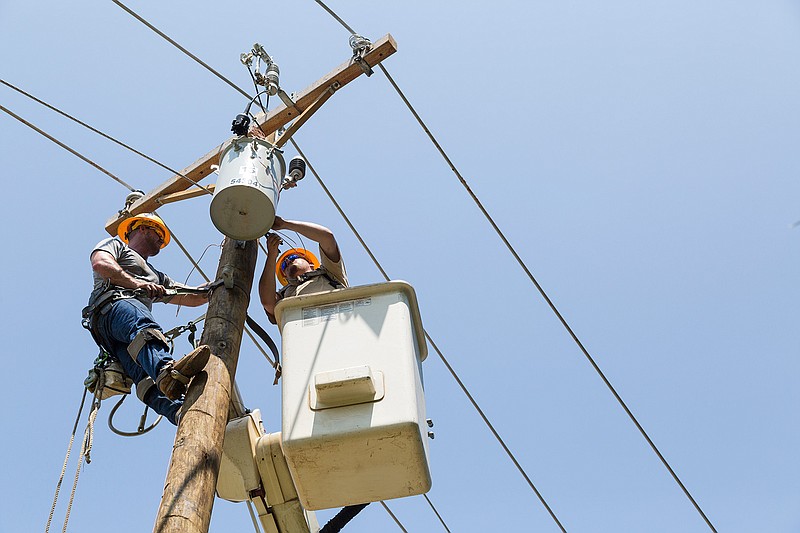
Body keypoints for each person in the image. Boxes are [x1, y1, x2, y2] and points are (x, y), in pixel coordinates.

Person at [84, 212, 211, 425]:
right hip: (113, 307)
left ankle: (178, 413)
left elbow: (189, 296)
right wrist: (137, 284)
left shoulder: (156, 276)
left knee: (142, 376)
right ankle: (166, 371)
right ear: (142, 228)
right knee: (145, 328)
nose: (162, 240)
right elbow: (100, 264)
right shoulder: (117, 247)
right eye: (159, 233)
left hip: (117, 336)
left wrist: (216, 287)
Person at [259, 217, 348, 322]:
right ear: (285, 277)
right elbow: (267, 302)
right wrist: (272, 256)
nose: (287, 261)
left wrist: (285, 224)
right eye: (284, 266)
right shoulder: (284, 295)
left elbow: (327, 237)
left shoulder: (329, 273)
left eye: (293, 258)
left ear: (311, 264)